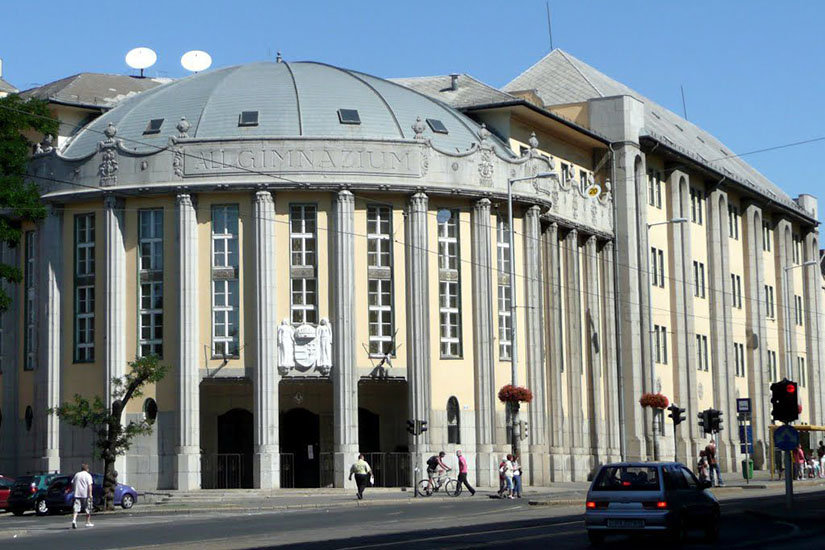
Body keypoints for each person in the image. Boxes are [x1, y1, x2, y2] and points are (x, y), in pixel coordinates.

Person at [71, 463, 94, 529]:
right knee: (88, 508)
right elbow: (90, 485)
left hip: (77, 494)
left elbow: (72, 483)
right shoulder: (88, 475)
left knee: (76, 508)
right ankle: (88, 522)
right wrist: (90, 494)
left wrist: (74, 490)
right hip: (85, 494)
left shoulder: (77, 474)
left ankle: (74, 520)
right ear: (87, 469)